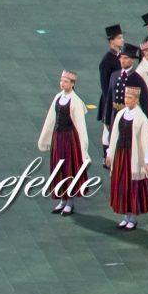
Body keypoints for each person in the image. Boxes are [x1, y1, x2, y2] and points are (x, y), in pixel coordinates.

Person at [34, 70, 91, 216]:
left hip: (69, 140)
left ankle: (69, 202)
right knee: (58, 168)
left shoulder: (75, 101)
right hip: (58, 138)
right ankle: (62, 200)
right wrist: (45, 139)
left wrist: (83, 149)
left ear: (72, 84)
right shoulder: (58, 97)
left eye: (66, 81)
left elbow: (81, 127)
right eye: (61, 81)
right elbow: (50, 119)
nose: (62, 83)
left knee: (68, 169)